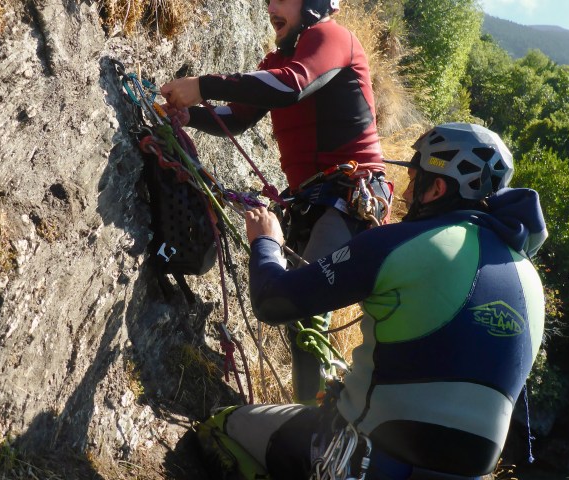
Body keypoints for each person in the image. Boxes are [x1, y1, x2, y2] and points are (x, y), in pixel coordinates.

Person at [195, 123, 548, 479]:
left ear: (437, 187)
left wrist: (266, 242)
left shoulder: (406, 242)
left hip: (363, 461)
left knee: (223, 427)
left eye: (414, 181)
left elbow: (272, 301)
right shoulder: (530, 282)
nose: (406, 195)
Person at [161, 0, 390, 403]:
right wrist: (190, 117)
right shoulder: (282, 61)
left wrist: (201, 86)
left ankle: (312, 429)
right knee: (301, 318)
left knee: (303, 311)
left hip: (350, 196)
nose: (271, 6)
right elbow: (239, 115)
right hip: (317, 200)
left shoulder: (331, 37)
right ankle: (310, 418)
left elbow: (291, 86)